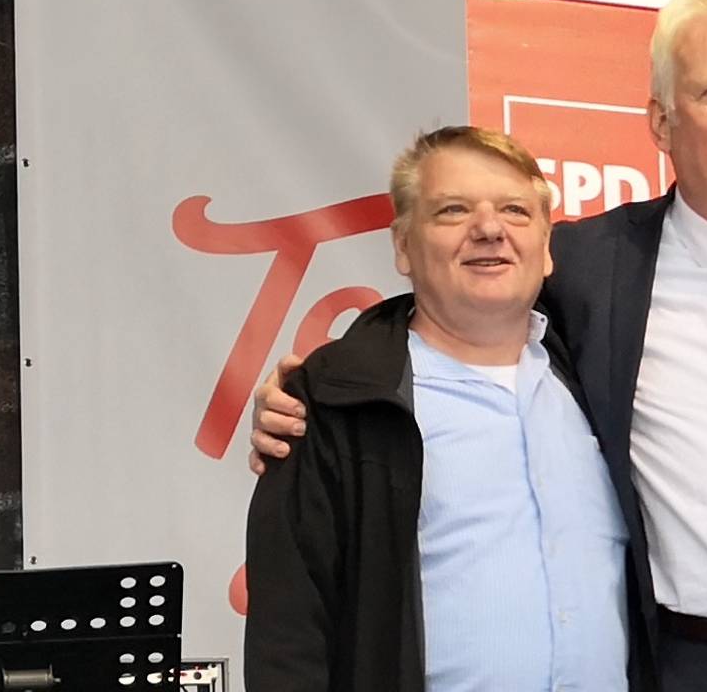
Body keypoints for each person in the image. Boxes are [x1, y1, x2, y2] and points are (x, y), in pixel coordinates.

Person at [252, 0, 707, 691]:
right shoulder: (595, 263)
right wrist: (322, 388)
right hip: (684, 663)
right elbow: (462, 302)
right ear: (661, 121)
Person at [246, 126, 627, 692]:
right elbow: (289, 638)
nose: (490, 229)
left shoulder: (605, 381)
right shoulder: (334, 403)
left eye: (516, 211)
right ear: (403, 246)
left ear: (547, 246)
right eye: (453, 210)